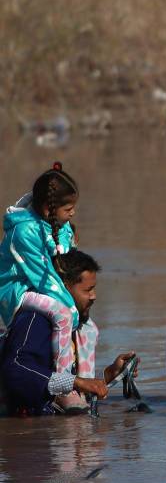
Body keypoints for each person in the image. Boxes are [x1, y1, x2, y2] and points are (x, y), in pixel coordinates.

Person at [0, 249, 136, 416]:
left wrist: (109, 376)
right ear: (63, 288)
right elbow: (16, 369)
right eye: (87, 290)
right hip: (25, 427)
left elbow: (73, 390)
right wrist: (77, 382)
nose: (94, 296)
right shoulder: (35, 320)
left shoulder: (77, 325)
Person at [0, 163, 91, 410]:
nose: (72, 213)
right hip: (17, 288)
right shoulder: (23, 232)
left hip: (41, 283)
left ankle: (86, 385)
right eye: (68, 208)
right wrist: (71, 307)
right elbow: (44, 274)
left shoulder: (60, 227)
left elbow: (67, 263)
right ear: (48, 208)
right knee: (63, 313)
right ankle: (63, 386)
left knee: (89, 327)